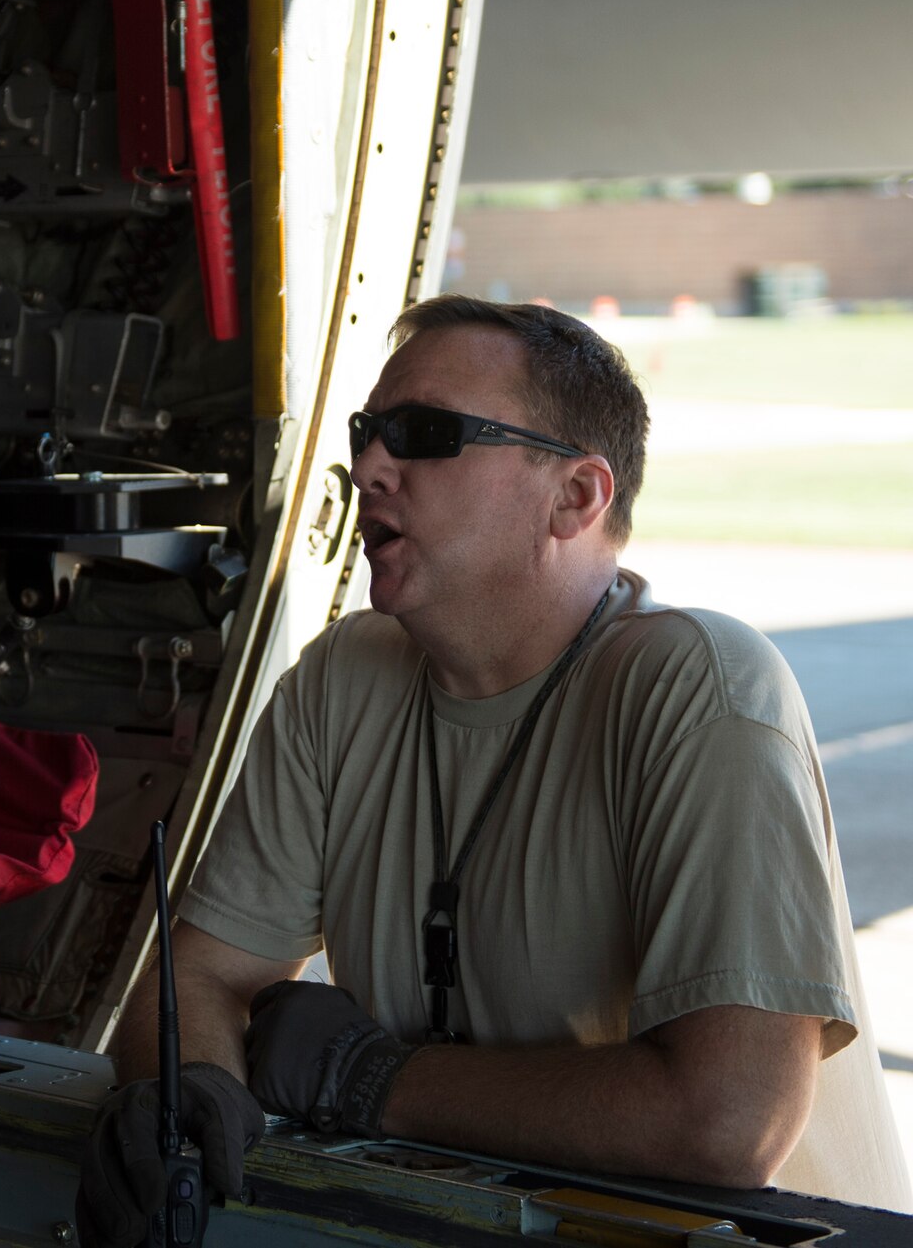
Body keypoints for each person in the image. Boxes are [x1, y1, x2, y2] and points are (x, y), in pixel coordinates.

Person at [79, 296, 910, 1244]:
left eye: (425, 434)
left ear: (576, 497)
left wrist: (372, 1079)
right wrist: (185, 1090)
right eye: (369, 431)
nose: (369, 467)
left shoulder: (700, 686)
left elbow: (725, 1121)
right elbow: (197, 980)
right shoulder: (342, 680)